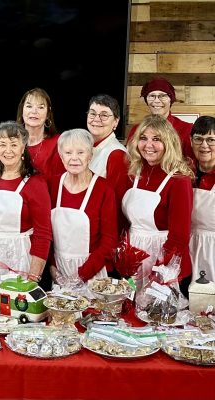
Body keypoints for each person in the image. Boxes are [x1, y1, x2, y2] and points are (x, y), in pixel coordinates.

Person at [122, 114, 194, 296]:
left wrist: (161, 271)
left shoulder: (179, 179)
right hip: (134, 258)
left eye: (156, 139)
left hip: (163, 259)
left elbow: (180, 236)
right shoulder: (135, 172)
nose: (148, 145)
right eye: (143, 138)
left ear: (168, 143)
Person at [0, 121, 52, 287]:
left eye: (14, 144)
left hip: (20, 260)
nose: (8, 150)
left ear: (23, 148)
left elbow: (43, 233)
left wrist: (33, 277)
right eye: (2, 144)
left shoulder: (36, 183)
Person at [48, 129, 118, 285]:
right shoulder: (51, 185)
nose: (74, 158)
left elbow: (109, 241)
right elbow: (46, 234)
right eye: (68, 152)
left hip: (92, 273)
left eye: (80, 152)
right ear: (61, 156)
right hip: (58, 273)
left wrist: (81, 276)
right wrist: (53, 269)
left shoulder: (104, 189)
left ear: (90, 155)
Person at [86, 94, 129, 233]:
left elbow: (116, 203)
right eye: (92, 114)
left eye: (104, 115)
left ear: (116, 122)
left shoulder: (116, 155)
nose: (96, 119)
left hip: (102, 230)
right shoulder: (86, 147)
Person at [126, 77, 194, 161]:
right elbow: (130, 160)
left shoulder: (186, 129)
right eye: (152, 96)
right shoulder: (136, 130)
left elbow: (191, 163)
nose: (156, 101)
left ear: (171, 100)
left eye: (162, 96)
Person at [188, 116, 215, 281]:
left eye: (211, 140)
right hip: (187, 246)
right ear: (191, 141)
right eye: (199, 139)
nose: (204, 146)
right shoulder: (185, 172)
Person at [16, 88, 65, 178]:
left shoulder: (59, 143)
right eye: (29, 106)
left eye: (40, 107)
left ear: (48, 114)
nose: (34, 111)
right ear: (22, 110)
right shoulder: (12, 142)